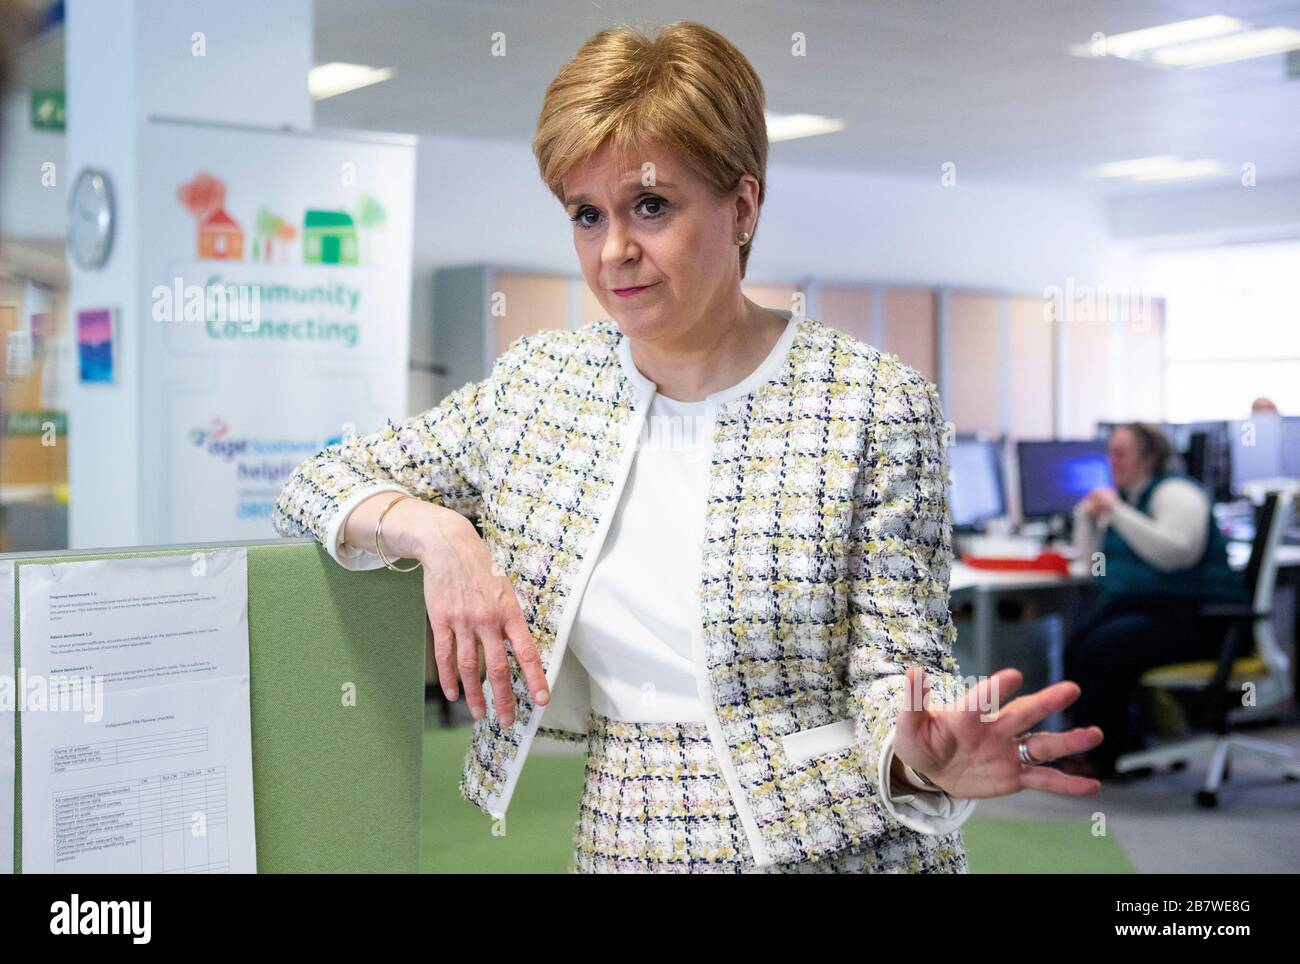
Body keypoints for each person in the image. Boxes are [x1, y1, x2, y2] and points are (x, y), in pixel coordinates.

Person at [273, 21, 1102, 874]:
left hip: (844, 845)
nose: (614, 251)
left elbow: (897, 665)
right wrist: (441, 535)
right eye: (586, 215)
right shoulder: (541, 389)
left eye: (651, 206)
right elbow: (315, 482)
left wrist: (919, 756)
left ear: (742, 207)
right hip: (628, 835)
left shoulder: (871, 404)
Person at [1059, 423, 1248, 779]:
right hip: (1150, 611)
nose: (1112, 461)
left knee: (1107, 649)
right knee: (1079, 644)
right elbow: (1089, 564)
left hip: (1205, 619)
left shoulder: (1175, 492)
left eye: (1121, 453)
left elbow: (1176, 554)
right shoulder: (1128, 499)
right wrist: (1086, 517)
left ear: (1148, 457)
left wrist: (1116, 512)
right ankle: (1101, 746)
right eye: (1110, 452)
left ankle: (1109, 754)